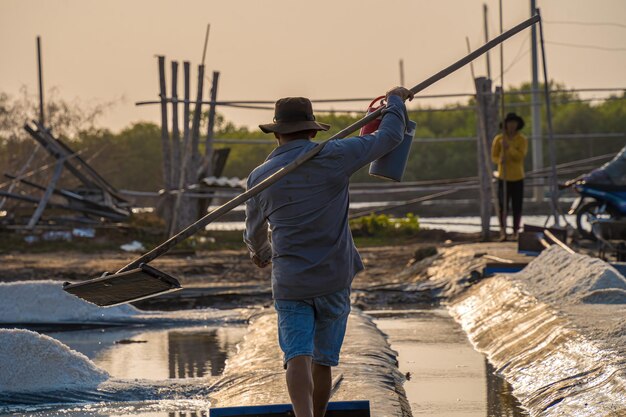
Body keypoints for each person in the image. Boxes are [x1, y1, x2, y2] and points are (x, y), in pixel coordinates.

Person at [243, 87, 413, 417]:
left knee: (296, 355)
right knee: (322, 360)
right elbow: (391, 136)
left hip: (291, 282)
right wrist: (394, 101)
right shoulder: (336, 155)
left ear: (277, 134)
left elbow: (254, 232)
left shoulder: (260, 178)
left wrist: (261, 253)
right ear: (311, 129)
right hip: (334, 278)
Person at [491, 112, 528, 241]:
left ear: (517, 124)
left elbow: (520, 157)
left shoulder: (521, 139)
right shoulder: (499, 139)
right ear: (505, 124)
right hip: (503, 177)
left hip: (517, 176)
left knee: (517, 206)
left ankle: (516, 232)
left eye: (514, 123)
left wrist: (509, 148)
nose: (511, 125)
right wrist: (499, 160)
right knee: (503, 206)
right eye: (509, 123)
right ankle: (503, 232)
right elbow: (494, 156)